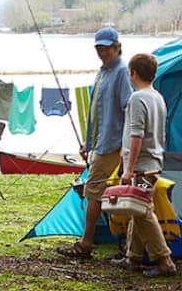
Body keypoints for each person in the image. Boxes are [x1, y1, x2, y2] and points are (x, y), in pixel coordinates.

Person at [55, 26, 133, 258]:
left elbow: (129, 108)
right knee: (104, 190)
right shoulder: (102, 72)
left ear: (117, 47)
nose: (102, 52)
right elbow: (95, 112)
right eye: (99, 47)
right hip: (100, 142)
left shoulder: (121, 71)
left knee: (93, 190)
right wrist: (88, 143)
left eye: (107, 47)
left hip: (113, 144)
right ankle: (125, 244)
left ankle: (86, 243)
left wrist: (124, 146)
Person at [120, 53, 176, 277]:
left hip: (142, 166)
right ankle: (132, 257)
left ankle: (165, 261)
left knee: (143, 212)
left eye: (130, 72)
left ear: (133, 73)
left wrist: (128, 168)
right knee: (136, 208)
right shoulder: (157, 97)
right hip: (154, 161)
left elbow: (136, 135)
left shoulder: (137, 98)